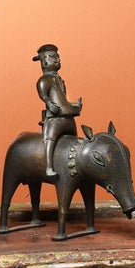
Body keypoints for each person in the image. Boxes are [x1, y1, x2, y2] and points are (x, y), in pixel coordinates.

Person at [34, 45, 82, 176]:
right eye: (53, 57)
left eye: (58, 57)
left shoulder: (60, 80)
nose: (57, 59)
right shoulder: (44, 80)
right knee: (49, 139)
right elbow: (43, 95)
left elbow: (63, 100)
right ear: (44, 61)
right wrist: (49, 103)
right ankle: (49, 166)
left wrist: (75, 105)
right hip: (54, 120)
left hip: (67, 118)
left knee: (75, 142)